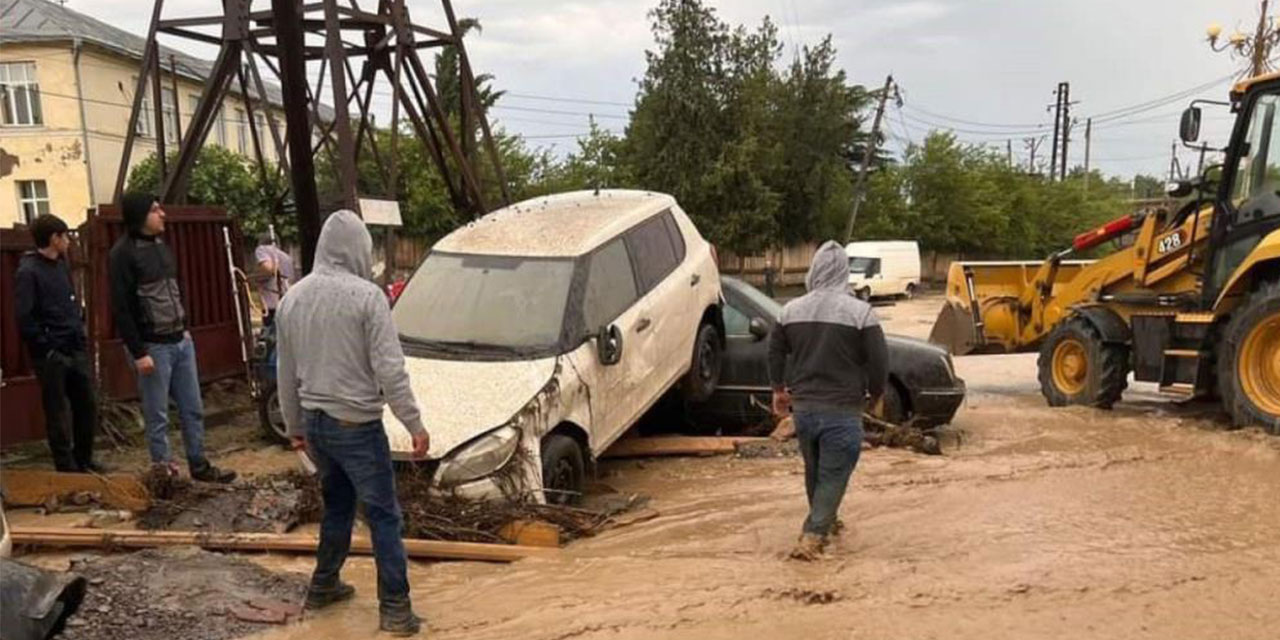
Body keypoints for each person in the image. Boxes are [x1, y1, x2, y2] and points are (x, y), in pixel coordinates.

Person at [276, 210, 429, 636]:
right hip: (357, 426)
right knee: (384, 517)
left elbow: (284, 372)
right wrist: (414, 424)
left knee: (338, 505)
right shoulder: (368, 298)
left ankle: (324, 585)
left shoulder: (293, 298)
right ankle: (396, 612)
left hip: (317, 424)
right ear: (360, 250)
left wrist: (294, 428)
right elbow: (390, 370)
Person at [767, 240, 888, 561]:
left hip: (804, 412)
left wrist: (779, 390)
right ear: (844, 272)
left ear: (813, 270)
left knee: (816, 471)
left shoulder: (789, 310)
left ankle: (827, 522)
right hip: (843, 411)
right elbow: (879, 362)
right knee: (833, 474)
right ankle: (813, 536)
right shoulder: (861, 313)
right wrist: (876, 395)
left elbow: (774, 351)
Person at [108, 192, 236, 483]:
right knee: (158, 416)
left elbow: (175, 290)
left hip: (180, 341)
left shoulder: (162, 247)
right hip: (153, 346)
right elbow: (121, 308)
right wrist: (139, 352)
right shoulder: (122, 254)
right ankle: (164, 475)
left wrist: (186, 328)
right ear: (141, 216)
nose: (162, 214)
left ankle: (199, 465)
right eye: (155, 210)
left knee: (193, 409)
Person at [14, 214, 105, 473]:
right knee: (57, 412)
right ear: (54, 239)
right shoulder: (28, 271)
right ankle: (66, 467)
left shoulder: (62, 265)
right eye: (65, 236)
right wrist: (47, 347)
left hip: (74, 346)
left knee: (86, 404)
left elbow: (69, 301)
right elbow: (24, 316)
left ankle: (84, 459)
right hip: (51, 354)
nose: (68, 241)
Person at [253, 231, 295, 326]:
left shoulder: (261, 250)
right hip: (287, 299)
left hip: (271, 301)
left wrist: (257, 277)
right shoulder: (286, 257)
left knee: (272, 334)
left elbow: (268, 268)